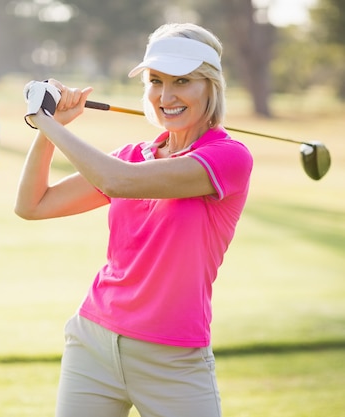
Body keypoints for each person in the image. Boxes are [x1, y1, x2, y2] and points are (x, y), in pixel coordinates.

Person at [16, 23, 253, 417]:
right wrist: (47, 129)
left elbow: (116, 181)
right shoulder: (132, 156)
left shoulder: (228, 157)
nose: (166, 96)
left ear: (211, 86)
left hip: (173, 358)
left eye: (183, 81)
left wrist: (47, 122)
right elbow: (33, 205)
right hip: (94, 340)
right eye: (155, 81)